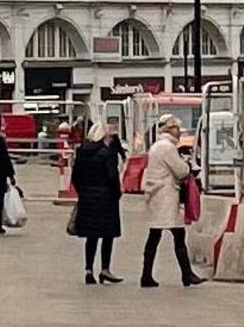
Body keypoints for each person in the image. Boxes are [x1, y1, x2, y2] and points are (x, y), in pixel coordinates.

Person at [137, 115, 204, 288]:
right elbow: (181, 171)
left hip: (156, 196)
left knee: (154, 236)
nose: (179, 132)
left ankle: (147, 275)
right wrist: (187, 165)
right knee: (179, 235)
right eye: (177, 129)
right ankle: (187, 275)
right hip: (166, 196)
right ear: (170, 129)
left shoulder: (156, 147)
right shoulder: (168, 148)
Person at [66, 118, 126, 283]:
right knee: (108, 235)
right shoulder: (105, 154)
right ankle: (105, 269)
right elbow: (112, 176)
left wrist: (83, 192)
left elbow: (75, 177)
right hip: (106, 199)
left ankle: (88, 269)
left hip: (87, 199)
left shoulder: (82, 153)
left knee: (91, 236)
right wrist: (116, 194)